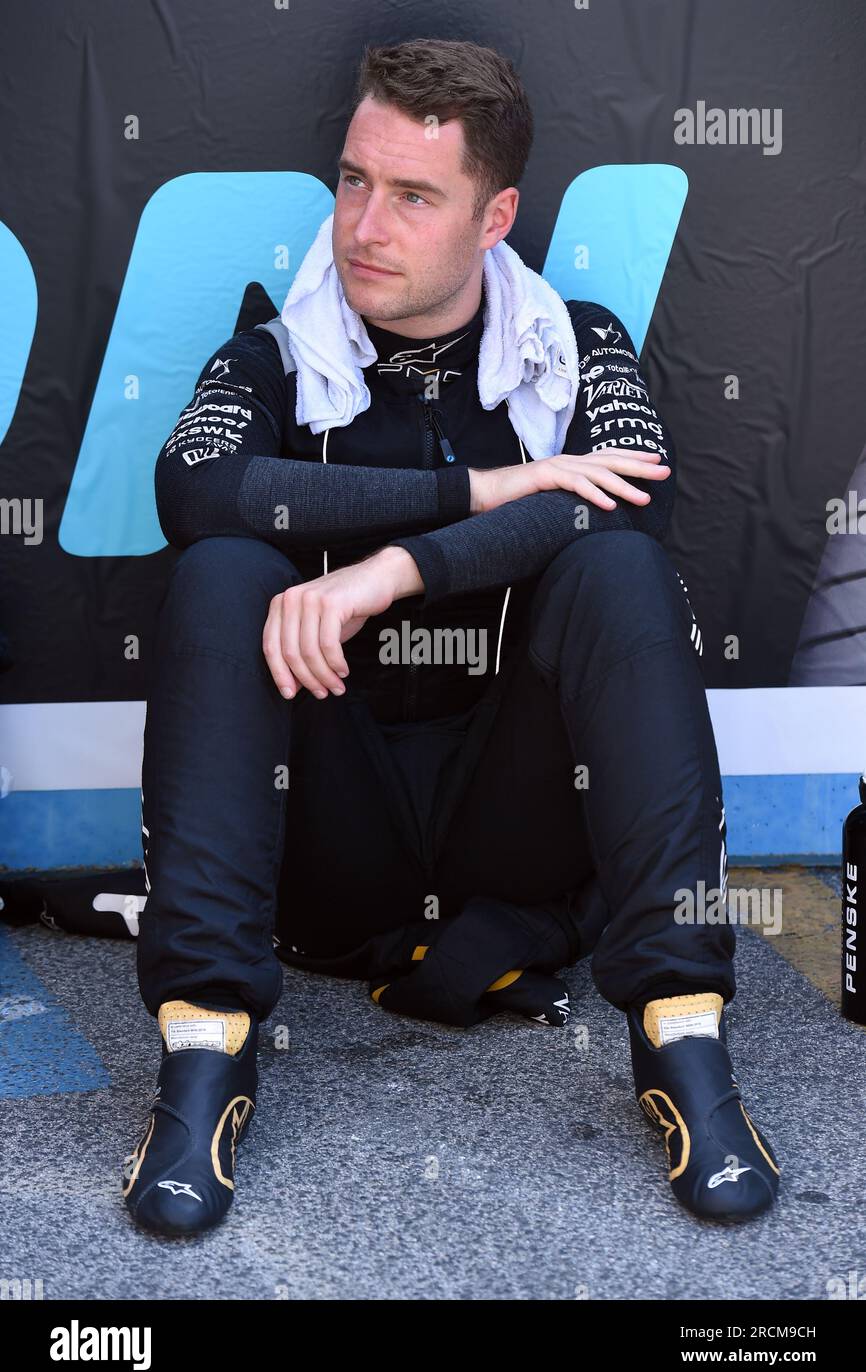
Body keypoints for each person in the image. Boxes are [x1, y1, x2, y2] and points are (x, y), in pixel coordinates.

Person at [121, 37, 780, 1235]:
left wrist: (389, 571)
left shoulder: (574, 342)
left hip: (512, 826)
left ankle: (684, 1041)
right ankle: (203, 1062)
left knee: (620, 570)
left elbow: (622, 497)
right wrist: (466, 497)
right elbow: (198, 492)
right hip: (331, 835)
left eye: (413, 195)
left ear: (495, 217)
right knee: (222, 572)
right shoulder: (276, 347)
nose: (364, 224)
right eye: (352, 181)